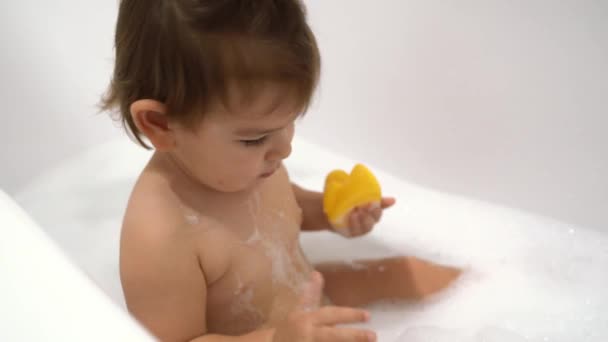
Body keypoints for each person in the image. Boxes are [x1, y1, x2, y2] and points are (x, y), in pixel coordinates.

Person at [100, 1, 459, 341]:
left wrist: (334, 215)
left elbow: (286, 210)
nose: (285, 148)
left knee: (415, 275)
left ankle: (502, 291)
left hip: (307, 302)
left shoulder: (241, 166)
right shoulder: (161, 234)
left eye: (289, 123)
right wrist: (279, 338)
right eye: (255, 138)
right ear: (160, 124)